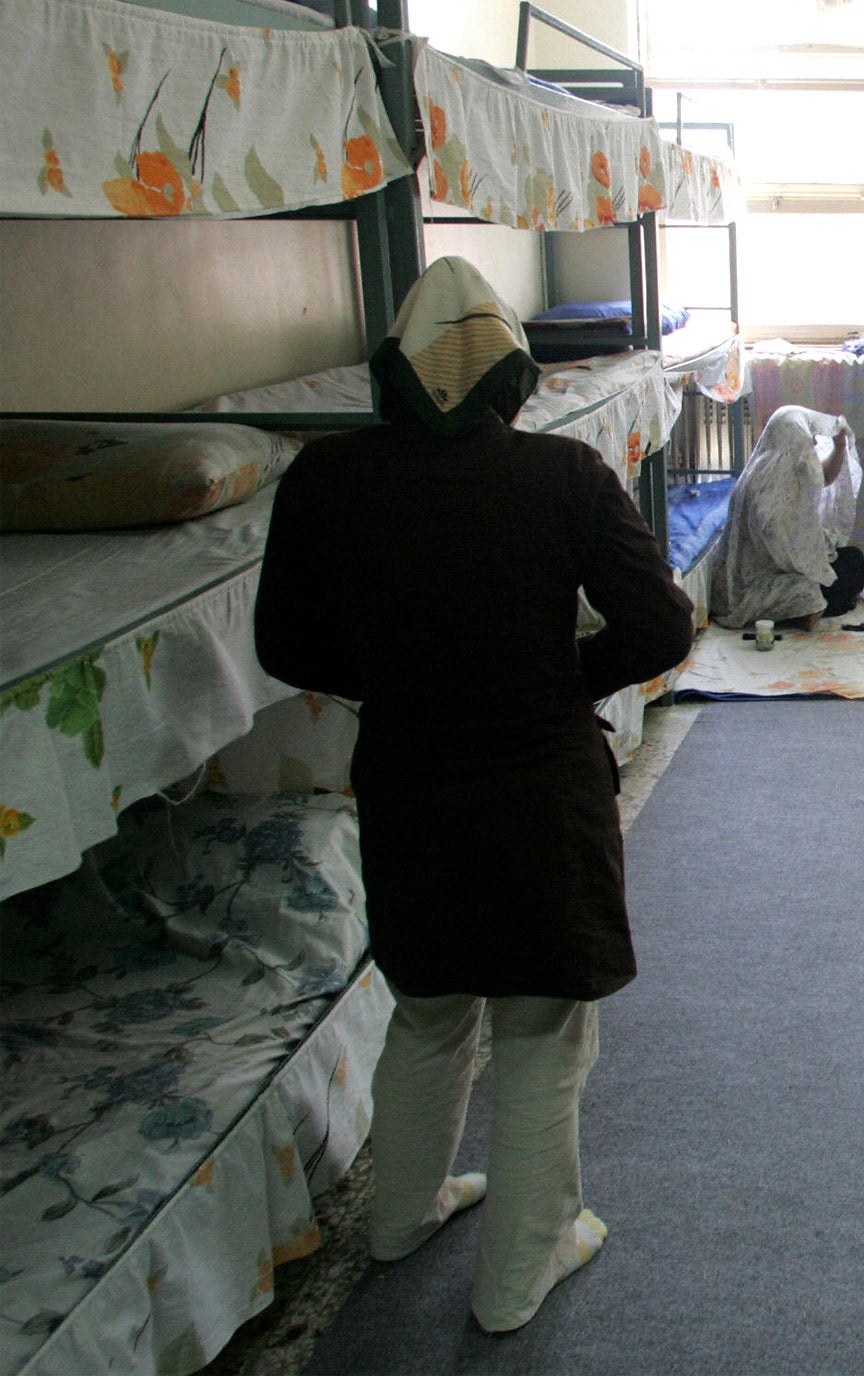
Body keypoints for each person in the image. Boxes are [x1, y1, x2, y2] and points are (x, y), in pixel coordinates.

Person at [254, 257, 696, 1333]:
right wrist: (557, 678)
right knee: (543, 1027)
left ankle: (402, 1216)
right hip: (537, 782)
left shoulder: (326, 478)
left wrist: (408, 680)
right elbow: (661, 629)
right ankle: (519, 1272)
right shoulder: (564, 478)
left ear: (392, 374)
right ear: (511, 374)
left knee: (430, 1007)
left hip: (407, 774)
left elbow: (284, 643)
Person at [706, 404, 864, 630]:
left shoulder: (777, 468)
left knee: (851, 558)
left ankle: (808, 605)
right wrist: (815, 561)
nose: (812, 444)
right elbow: (784, 553)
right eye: (808, 438)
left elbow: (825, 476)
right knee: (850, 569)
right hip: (762, 580)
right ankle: (798, 613)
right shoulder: (766, 495)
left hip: (781, 568)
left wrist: (839, 445)